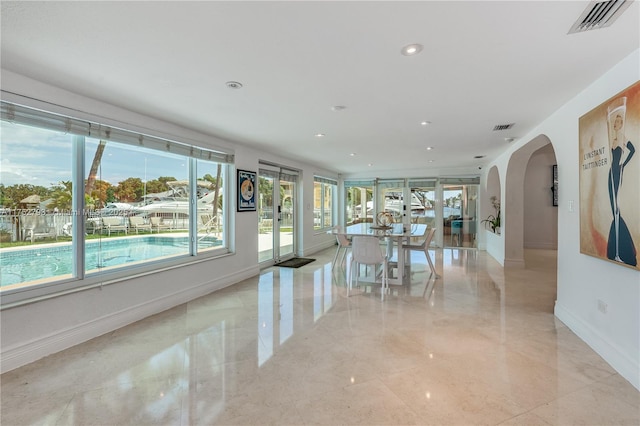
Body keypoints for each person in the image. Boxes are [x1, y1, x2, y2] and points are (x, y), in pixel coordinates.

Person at [607, 103, 636, 266]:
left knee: (617, 209)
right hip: (611, 173)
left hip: (617, 173)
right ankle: (617, 250)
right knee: (614, 210)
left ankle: (621, 251)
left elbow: (633, 150)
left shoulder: (622, 137)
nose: (615, 124)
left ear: (621, 124)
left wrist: (623, 165)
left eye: (617, 122)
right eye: (614, 122)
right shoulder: (614, 138)